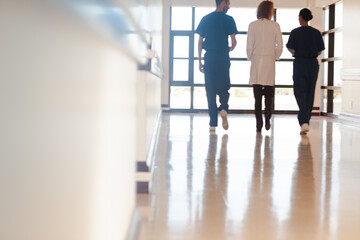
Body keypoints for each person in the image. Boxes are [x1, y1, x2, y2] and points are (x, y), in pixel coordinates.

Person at [195, 0, 237, 133]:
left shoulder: (205, 19)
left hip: (210, 58)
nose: (229, 7)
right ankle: (224, 108)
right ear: (223, 3)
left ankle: (213, 123)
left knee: (210, 90)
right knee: (224, 86)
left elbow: (200, 42)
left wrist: (200, 61)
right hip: (223, 57)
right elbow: (234, 41)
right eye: (228, 4)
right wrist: (231, 48)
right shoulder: (229, 19)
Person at [286, 8, 325, 134]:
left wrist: (297, 53)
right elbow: (319, 51)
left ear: (301, 17)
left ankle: (303, 121)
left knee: (299, 91)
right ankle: (305, 121)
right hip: (313, 64)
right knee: (310, 92)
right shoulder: (316, 33)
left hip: (300, 63)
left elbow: (291, 49)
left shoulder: (295, 32)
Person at [246, 0, 283, 133]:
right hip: (269, 62)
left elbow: (249, 45)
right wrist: (276, 56)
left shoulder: (252, 25)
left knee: (257, 97)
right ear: (269, 11)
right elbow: (280, 45)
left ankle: (258, 124)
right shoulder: (275, 25)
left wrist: (250, 57)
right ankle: (268, 117)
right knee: (269, 94)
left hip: (256, 62)